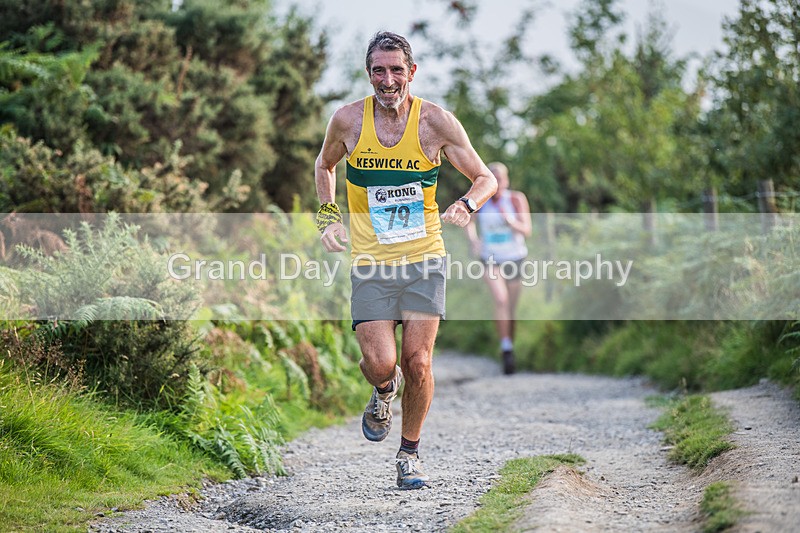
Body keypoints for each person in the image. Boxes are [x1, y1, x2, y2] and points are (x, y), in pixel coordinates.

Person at [314, 31, 497, 490]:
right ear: (368, 73)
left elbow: (485, 177)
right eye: (379, 69)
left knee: (418, 362)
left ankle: (409, 454)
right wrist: (328, 218)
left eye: (397, 69)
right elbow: (324, 167)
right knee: (381, 363)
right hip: (372, 263)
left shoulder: (436, 122)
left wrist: (467, 205)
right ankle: (381, 391)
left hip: (424, 258)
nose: (388, 78)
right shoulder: (347, 121)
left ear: (411, 72)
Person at [465, 162, 532, 375]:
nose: (498, 184)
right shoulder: (482, 201)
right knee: (501, 299)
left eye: (501, 180)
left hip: (515, 257)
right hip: (490, 258)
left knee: (511, 308)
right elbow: (469, 221)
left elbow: (527, 230)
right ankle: (506, 349)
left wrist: (510, 221)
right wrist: (474, 240)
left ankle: (509, 346)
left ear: (506, 181)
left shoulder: (516, 199)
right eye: (493, 180)